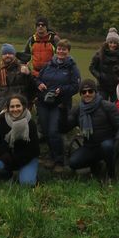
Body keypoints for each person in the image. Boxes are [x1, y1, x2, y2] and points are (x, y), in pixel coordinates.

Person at [59, 79, 119, 183]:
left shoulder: (107, 106)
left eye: (90, 91)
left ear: (95, 92)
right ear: (81, 94)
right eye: (84, 92)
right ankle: (96, 163)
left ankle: (111, 174)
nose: (87, 94)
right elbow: (64, 129)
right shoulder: (78, 110)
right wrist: (63, 110)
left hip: (109, 143)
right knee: (73, 162)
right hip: (90, 146)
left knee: (107, 146)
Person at [36, 39, 81, 172]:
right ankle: (52, 156)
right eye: (59, 49)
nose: (61, 51)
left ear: (68, 51)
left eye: (64, 49)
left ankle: (59, 161)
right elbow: (38, 78)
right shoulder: (49, 64)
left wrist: (62, 90)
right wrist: (39, 84)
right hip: (43, 102)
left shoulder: (72, 67)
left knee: (54, 131)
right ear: (56, 50)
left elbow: (76, 87)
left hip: (60, 104)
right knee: (45, 131)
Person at [0, 94, 40, 186]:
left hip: (27, 158)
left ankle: (30, 175)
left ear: (23, 106)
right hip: (8, 157)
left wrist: (14, 160)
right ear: (8, 108)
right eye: (12, 106)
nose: (15, 109)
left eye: (18, 106)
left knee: (27, 183)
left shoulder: (30, 123)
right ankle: (8, 177)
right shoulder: (2, 120)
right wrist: (4, 154)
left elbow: (34, 149)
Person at [89, 27, 119, 101]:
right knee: (101, 107)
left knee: (117, 107)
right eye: (111, 42)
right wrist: (99, 76)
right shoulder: (99, 54)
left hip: (117, 86)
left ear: (118, 44)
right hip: (102, 86)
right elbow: (92, 67)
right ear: (107, 43)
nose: (113, 45)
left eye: (115, 43)